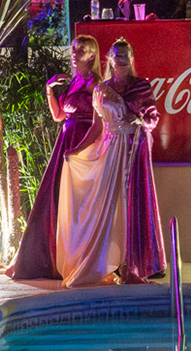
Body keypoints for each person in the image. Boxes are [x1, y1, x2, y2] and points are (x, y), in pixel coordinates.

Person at [55, 39, 166, 286]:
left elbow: (153, 117)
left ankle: (133, 265)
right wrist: (77, 149)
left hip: (133, 148)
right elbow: (97, 126)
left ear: (132, 58)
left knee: (132, 202)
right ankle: (106, 262)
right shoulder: (101, 89)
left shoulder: (141, 86)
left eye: (125, 54)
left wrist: (141, 121)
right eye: (117, 54)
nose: (121, 58)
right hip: (109, 148)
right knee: (107, 204)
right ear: (110, 59)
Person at [11, 34, 101, 281]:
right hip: (65, 139)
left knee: (77, 200)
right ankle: (50, 258)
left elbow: (100, 123)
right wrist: (49, 89)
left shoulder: (95, 84)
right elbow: (59, 116)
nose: (74, 54)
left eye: (81, 50)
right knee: (55, 196)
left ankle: (76, 260)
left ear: (92, 55)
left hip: (81, 143)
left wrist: (81, 149)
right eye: (74, 49)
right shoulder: (74, 81)